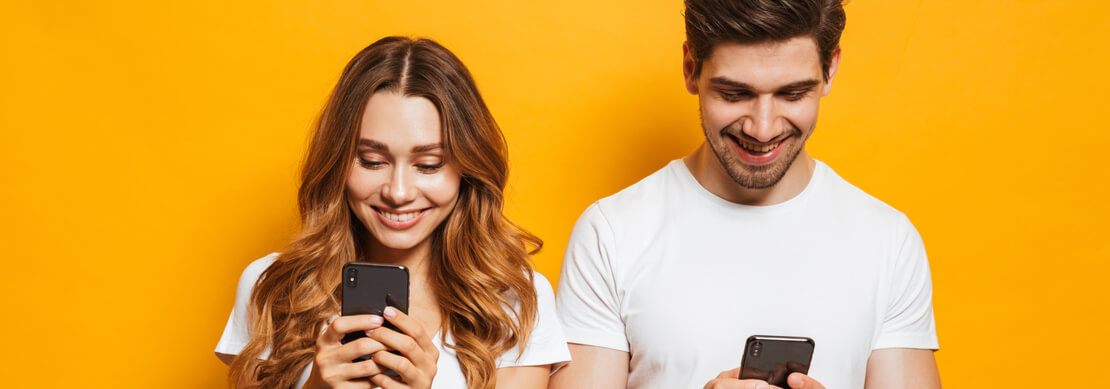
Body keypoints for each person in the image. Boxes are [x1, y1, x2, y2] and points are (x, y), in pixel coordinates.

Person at [550, 1, 940, 388]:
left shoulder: (888, 241)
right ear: (691, 69)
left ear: (830, 69)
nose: (763, 128)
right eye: (734, 94)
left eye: (792, 94)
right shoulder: (611, 234)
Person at [214, 37, 570, 389]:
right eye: (372, 161)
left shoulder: (512, 299)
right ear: (338, 163)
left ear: (467, 168)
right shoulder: (273, 288)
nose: (398, 192)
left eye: (429, 164)